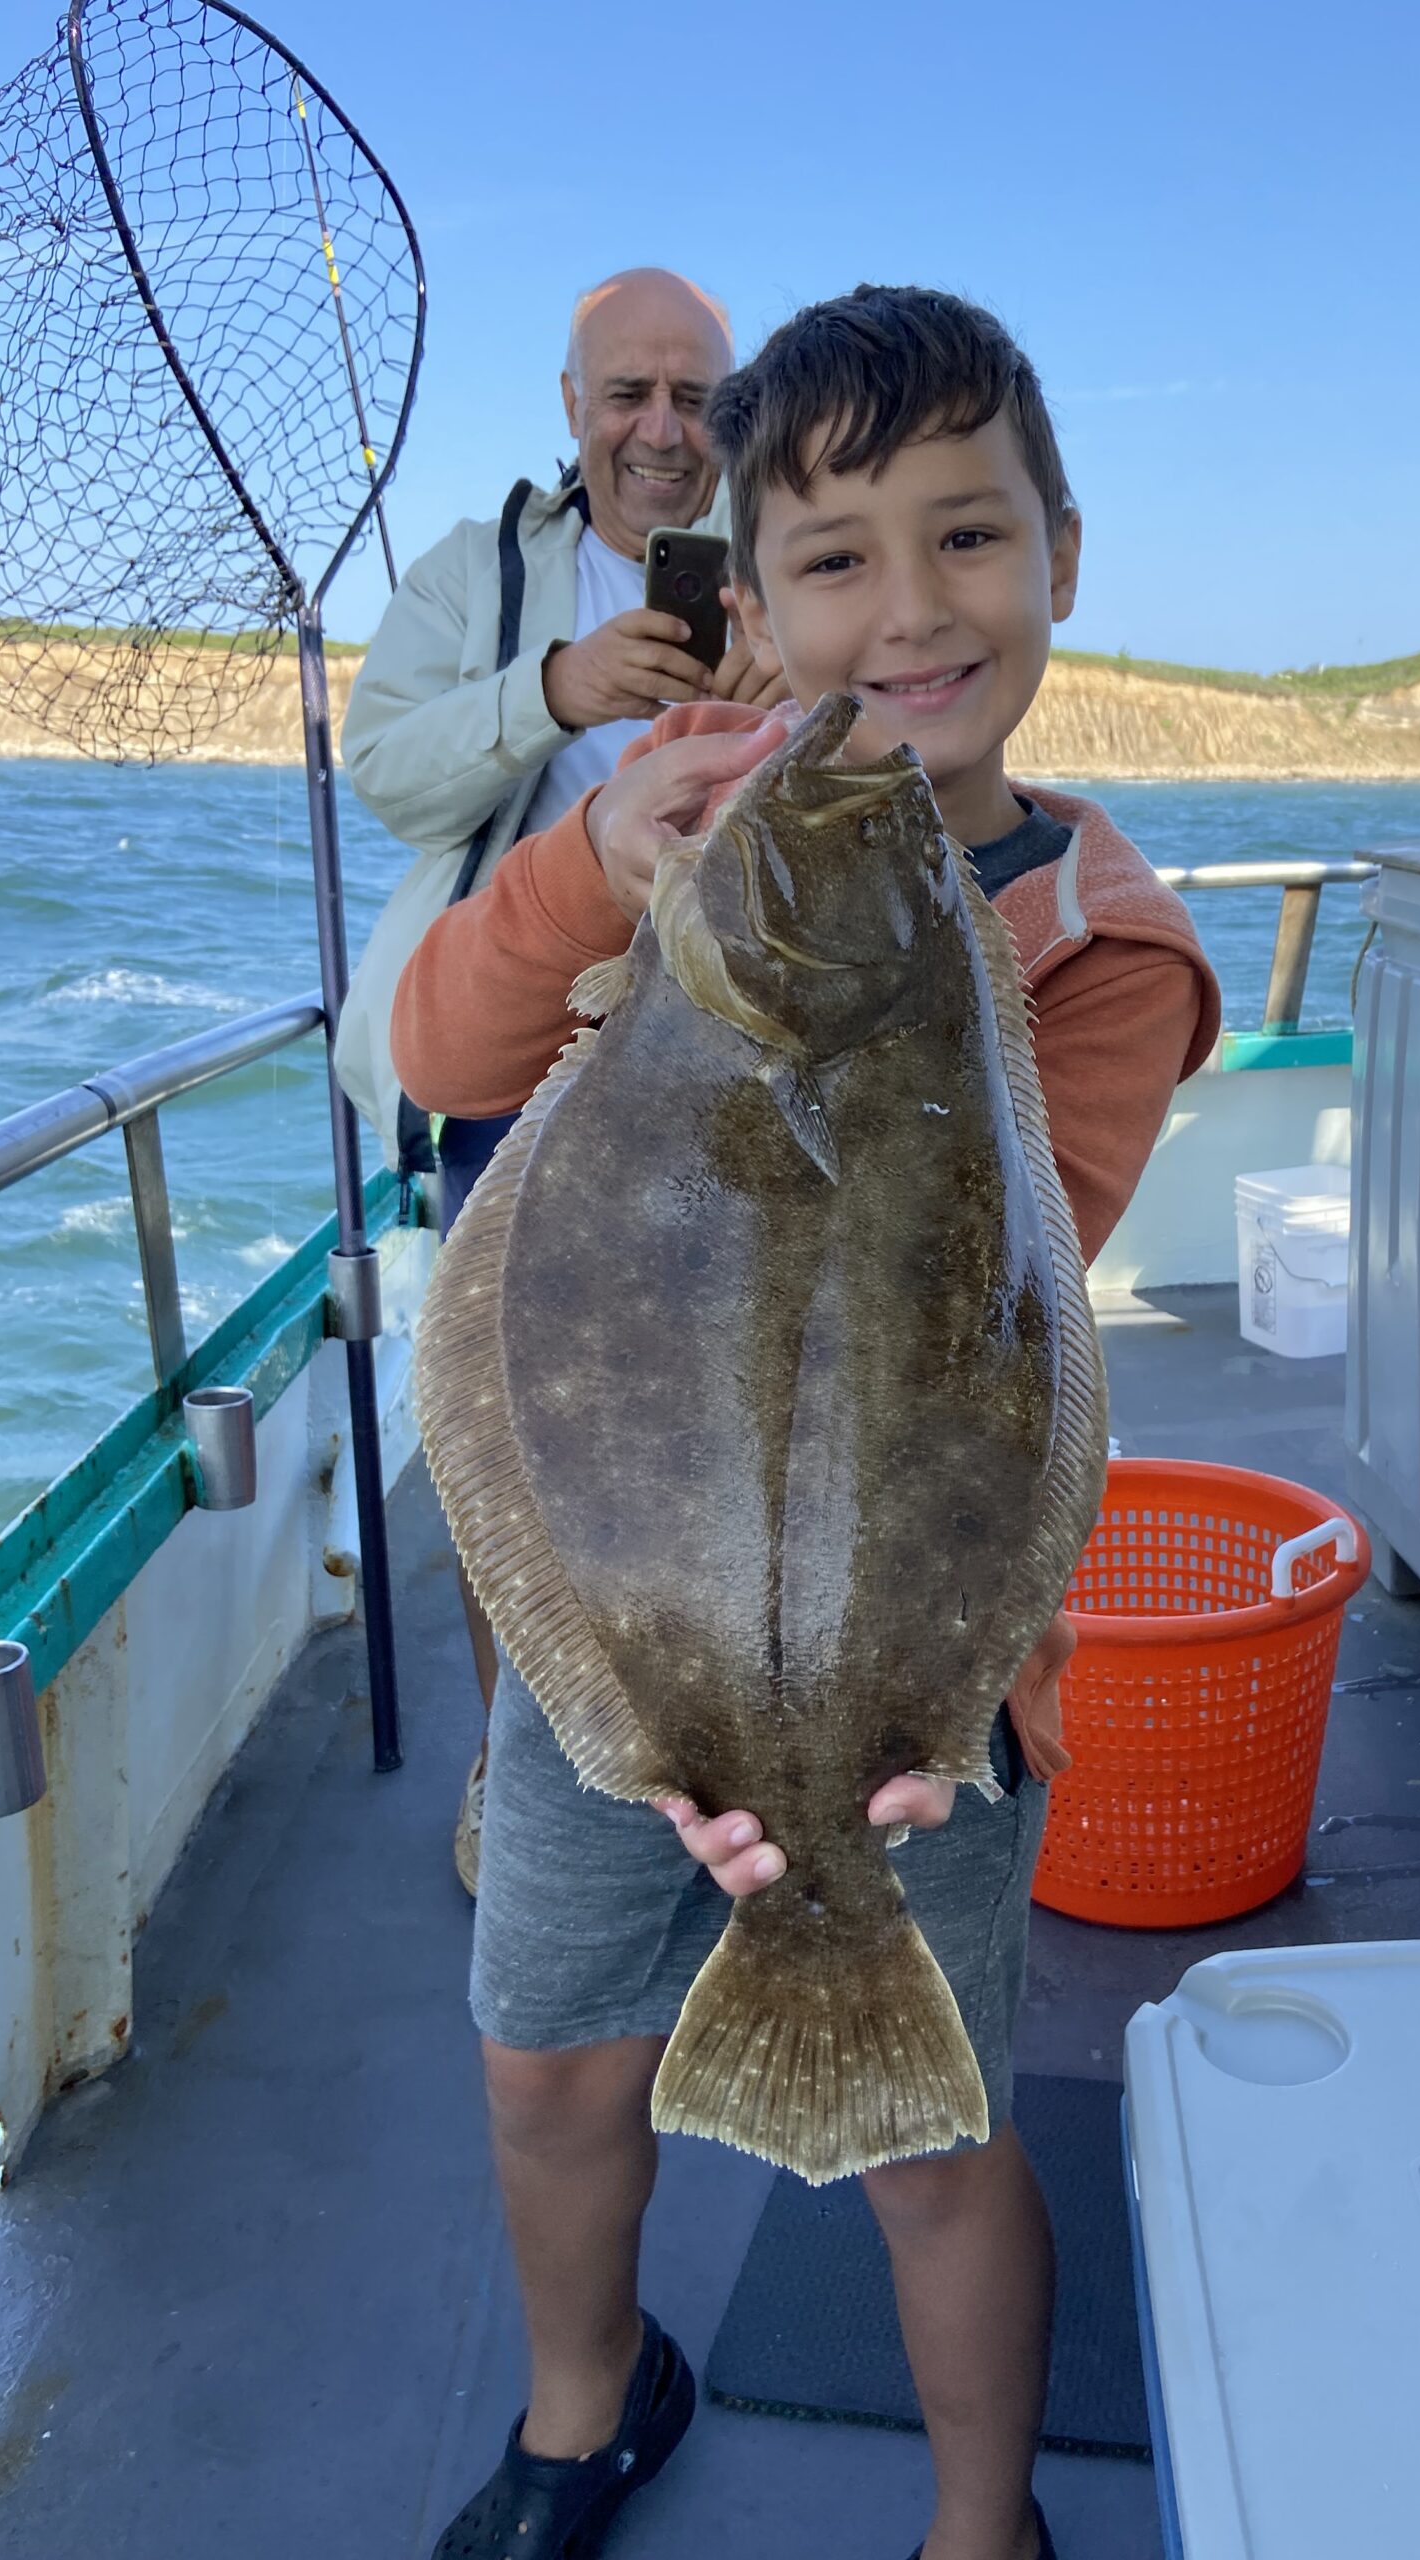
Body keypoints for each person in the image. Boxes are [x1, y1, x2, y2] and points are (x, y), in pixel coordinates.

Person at [392, 285, 1221, 2560]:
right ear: (748, 606)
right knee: (550, 2050)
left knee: (937, 2134)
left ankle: (982, 2520)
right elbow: (446, 1063)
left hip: (911, 1690)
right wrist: (588, 875)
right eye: (838, 557)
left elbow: (991, 1306)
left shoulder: (1103, 935)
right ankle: (585, 2397)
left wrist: (935, 1683)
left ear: (1061, 552)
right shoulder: (676, 836)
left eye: (972, 535)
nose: (915, 605)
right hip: (621, 1642)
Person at [334, 266, 786, 1891]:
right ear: (573, 408)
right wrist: (555, 693)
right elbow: (379, 766)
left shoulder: (787, 561)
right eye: (629, 395)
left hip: (736, 1061)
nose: (664, 431)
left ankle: (726, 1752)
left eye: (698, 399)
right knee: (506, 1433)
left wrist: (776, 705)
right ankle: (522, 1759)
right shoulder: (477, 574)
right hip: (517, 1050)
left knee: (732, 1421)